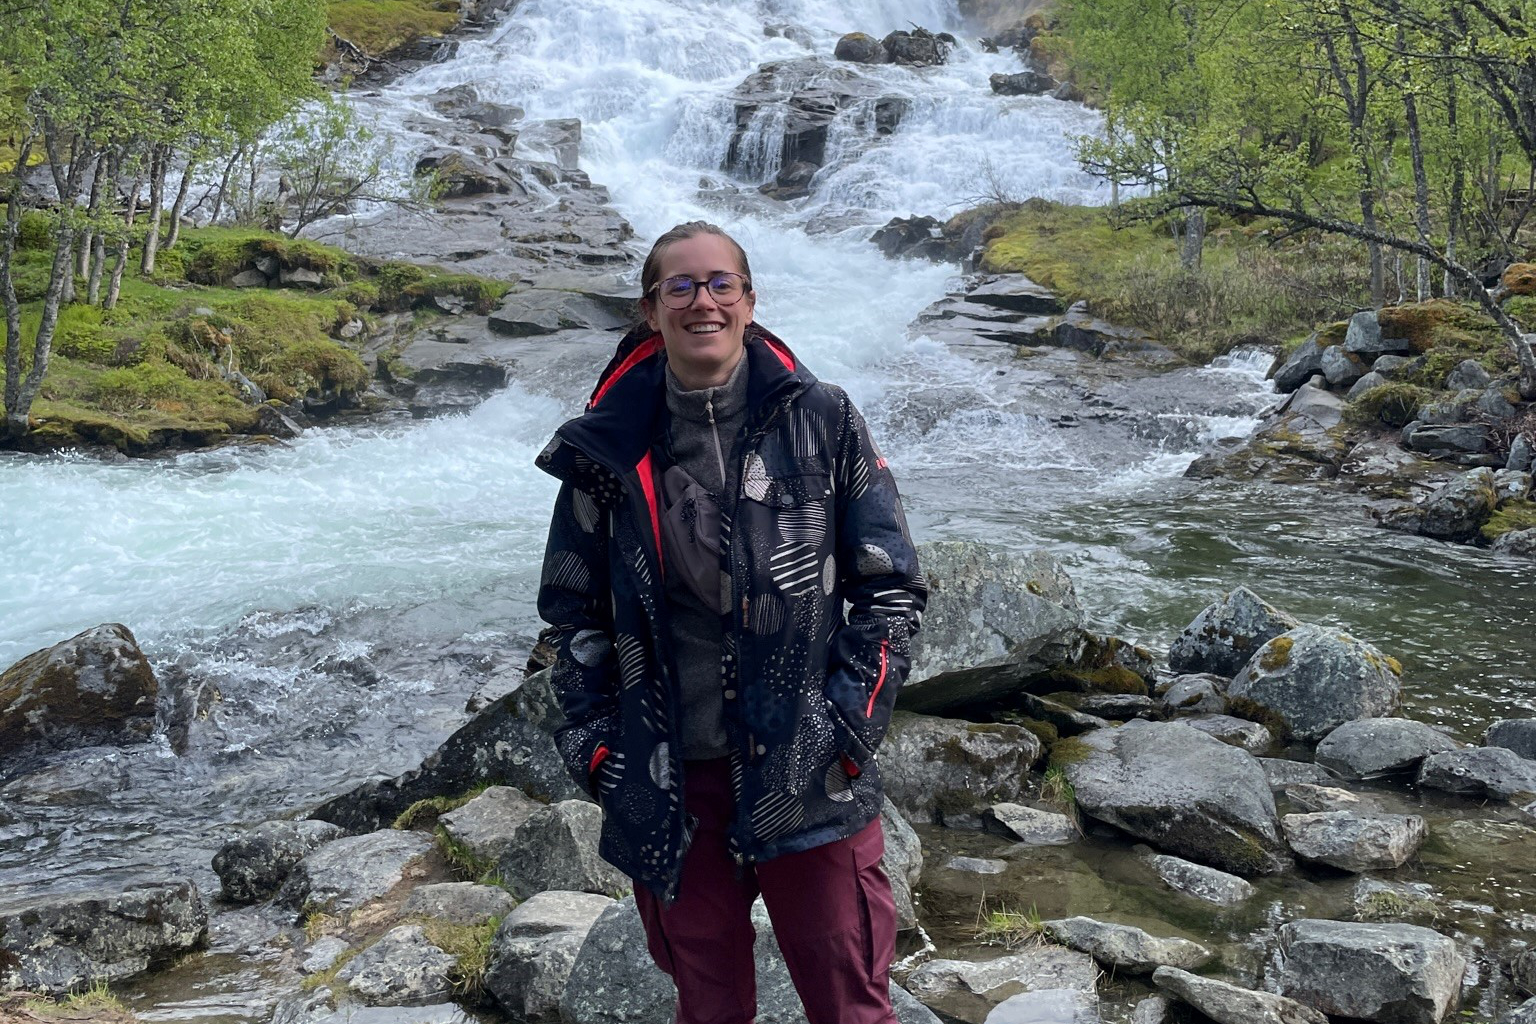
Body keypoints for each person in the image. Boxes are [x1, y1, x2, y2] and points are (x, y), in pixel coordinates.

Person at [535, 221, 926, 1024]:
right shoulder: (603, 451)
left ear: (750, 302)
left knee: (850, 1004)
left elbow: (889, 588)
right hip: (668, 777)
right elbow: (570, 616)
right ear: (651, 310)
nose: (701, 300)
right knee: (708, 1006)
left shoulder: (824, 418)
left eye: (720, 284)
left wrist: (847, 725)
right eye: (679, 286)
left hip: (807, 767)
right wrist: (600, 750)